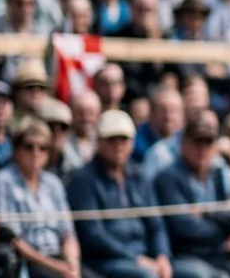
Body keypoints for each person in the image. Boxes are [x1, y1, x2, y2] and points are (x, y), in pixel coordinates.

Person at [152, 111, 230, 278]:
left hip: (218, 254)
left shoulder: (220, 174)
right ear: (183, 144)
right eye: (197, 143)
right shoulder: (168, 178)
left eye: (208, 143)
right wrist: (225, 228)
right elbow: (184, 227)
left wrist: (207, 213)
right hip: (184, 255)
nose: (202, 149)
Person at [67, 110, 172, 278]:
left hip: (145, 256)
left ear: (131, 143)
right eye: (111, 140)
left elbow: (156, 224)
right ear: (99, 142)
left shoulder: (139, 176)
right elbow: (93, 234)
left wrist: (162, 256)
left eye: (123, 139)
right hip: (105, 261)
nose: (118, 146)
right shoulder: (84, 181)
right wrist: (135, 259)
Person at [0, 120, 79, 278]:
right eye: (29, 146)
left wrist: (72, 264)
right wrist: (57, 267)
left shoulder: (53, 183)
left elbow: (68, 233)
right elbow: (12, 239)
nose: (36, 153)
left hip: (60, 258)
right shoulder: (3, 182)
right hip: (29, 262)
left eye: (42, 148)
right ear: (16, 149)